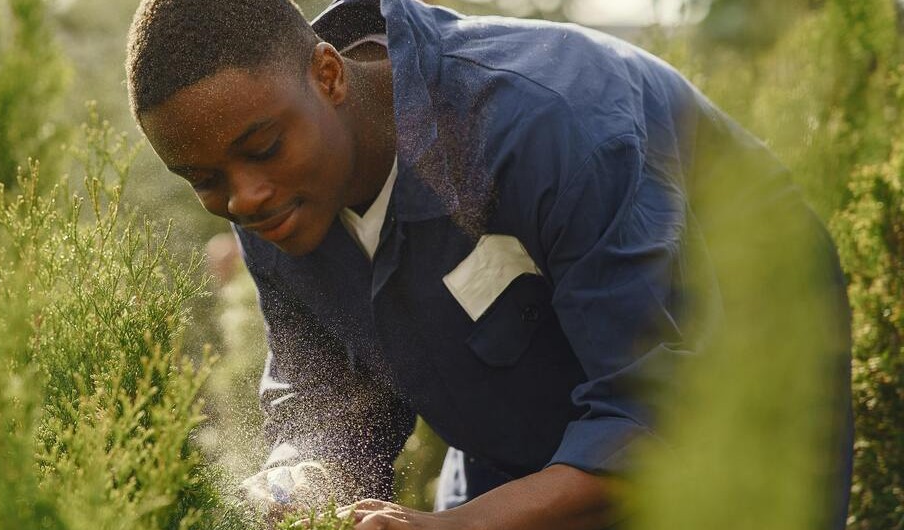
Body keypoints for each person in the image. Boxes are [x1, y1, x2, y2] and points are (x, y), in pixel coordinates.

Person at [125, 0, 854, 528]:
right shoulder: (274, 198)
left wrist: (460, 526)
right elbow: (327, 405)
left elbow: (656, 407)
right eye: (203, 179)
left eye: (260, 150)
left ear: (328, 75)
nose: (244, 196)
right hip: (528, 402)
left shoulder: (549, 121)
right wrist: (298, 479)